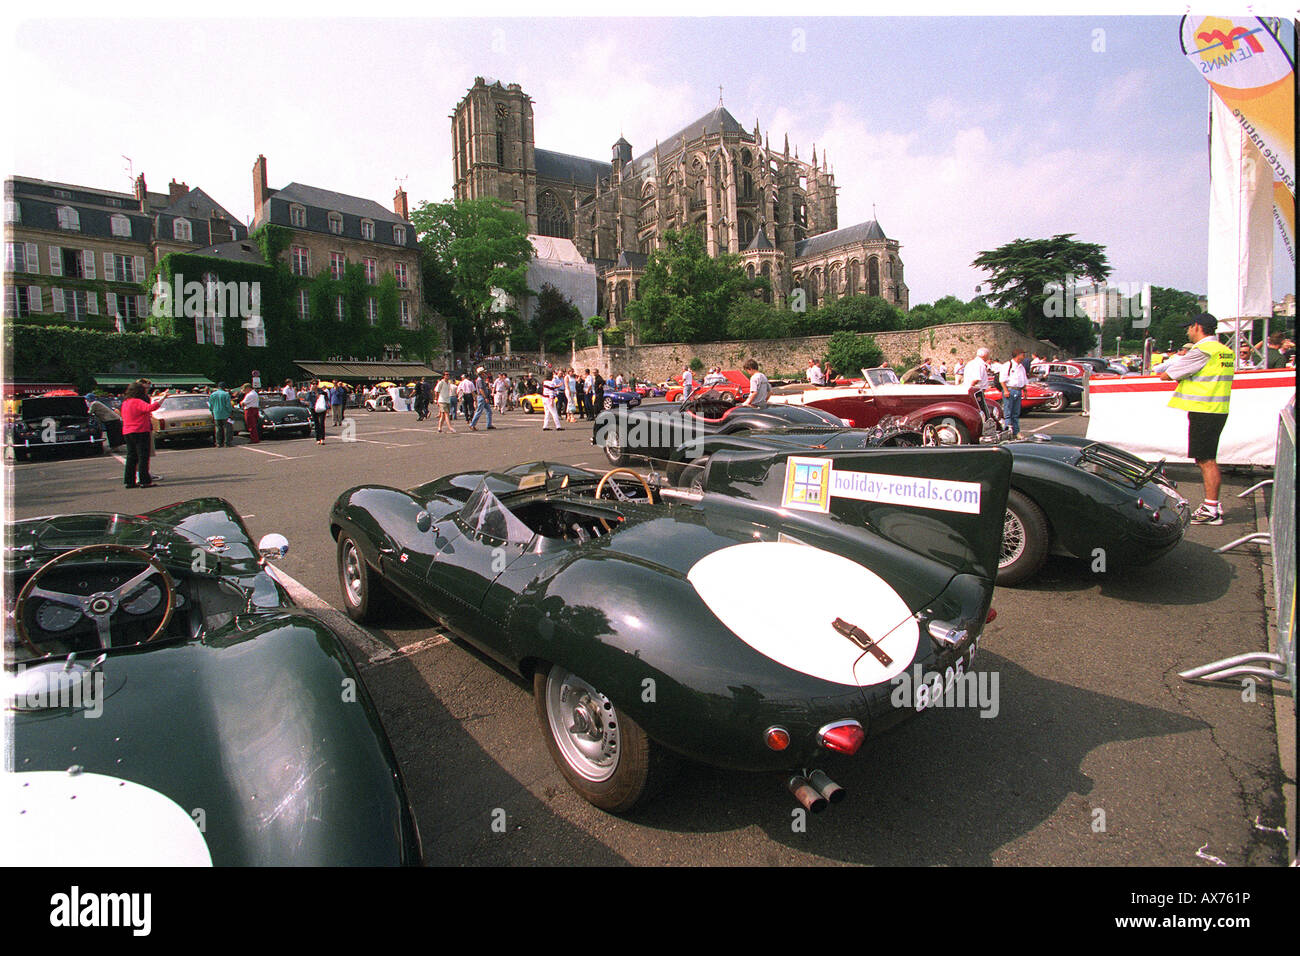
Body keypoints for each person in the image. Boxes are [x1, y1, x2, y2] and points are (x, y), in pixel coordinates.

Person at [1156, 313, 1234, 525]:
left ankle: (1211, 509)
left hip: (1204, 410)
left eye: (1188, 327)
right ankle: (1211, 506)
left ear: (1197, 327)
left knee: (1206, 460)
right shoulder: (1224, 351)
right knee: (1206, 458)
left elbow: (1167, 374)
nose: (1187, 331)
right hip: (1216, 408)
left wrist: (1173, 369)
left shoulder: (1202, 350)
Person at [121, 382, 169, 488]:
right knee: (143, 456)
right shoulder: (137, 401)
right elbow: (151, 408)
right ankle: (144, 480)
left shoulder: (126, 402)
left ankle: (129, 481)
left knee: (131, 457)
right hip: (140, 430)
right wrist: (163, 398)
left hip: (127, 431)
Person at [999, 349, 1028, 439]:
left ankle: (1016, 432)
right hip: (1010, 390)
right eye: (1023, 354)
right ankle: (1008, 432)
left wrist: (1024, 390)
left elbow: (1023, 380)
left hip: (1018, 390)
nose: (1024, 356)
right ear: (1018, 355)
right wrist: (1006, 390)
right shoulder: (1008, 365)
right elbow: (1002, 380)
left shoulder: (1021, 367)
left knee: (1016, 413)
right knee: (1008, 412)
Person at [208, 381, 234, 447]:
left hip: (216, 413)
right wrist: (230, 412)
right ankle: (227, 443)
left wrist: (212, 412)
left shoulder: (213, 394)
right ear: (224, 387)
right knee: (227, 428)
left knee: (218, 429)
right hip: (225, 414)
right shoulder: (226, 394)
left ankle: (218, 443)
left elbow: (210, 405)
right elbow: (228, 405)